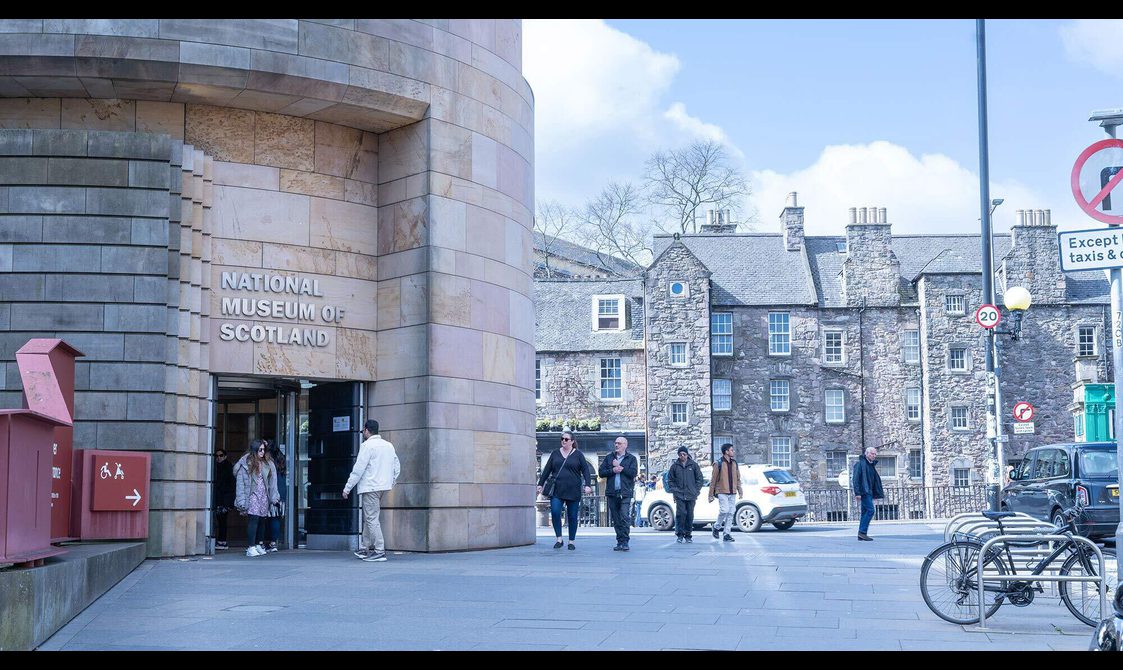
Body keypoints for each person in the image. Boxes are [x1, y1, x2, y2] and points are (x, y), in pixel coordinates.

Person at [343, 419, 400, 562]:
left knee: (371, 518)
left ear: (367, 430)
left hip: (370, 487)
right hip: (383, 487)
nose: (363, 432)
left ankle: (380, 550)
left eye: (364, 430)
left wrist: (347, 488)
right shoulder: (388, 446)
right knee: (371, 516)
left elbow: (358, 469)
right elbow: (396, 466)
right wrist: (391, 481)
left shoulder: (367, 446)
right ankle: (364, 547)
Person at [536, 431, 593, 551]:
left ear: (572, 441)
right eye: (562, 439)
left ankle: (571, 541)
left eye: (566, 439)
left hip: (573, 490)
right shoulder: (555, 454)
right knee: (556, 512)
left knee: (572, 516)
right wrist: (540, 484)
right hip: (557, 489)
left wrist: (588, 485)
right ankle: (559, 539)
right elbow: (547, 470)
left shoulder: (578, 455)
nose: (563, 441)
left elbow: (586, 471)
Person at [234, 439, 280, 557]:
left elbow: (272, 482)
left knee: (262, 520)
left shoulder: (267, 463)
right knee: (253, 519)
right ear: (254, 450)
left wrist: (274, 497)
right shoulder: (245, 463)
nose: (262, 452)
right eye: (260, 450)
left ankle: (258, 544)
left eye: (264, 450)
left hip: (263, 495)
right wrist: (241, 501)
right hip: (252, 494)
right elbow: (240, 484)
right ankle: (251, 546)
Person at [599, 436, 639, 551]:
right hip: (612, 492)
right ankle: (619, 541)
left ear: (625, 445)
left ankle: (625, 541)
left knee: (624, 516)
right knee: (616, 518)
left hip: (625, 492)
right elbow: (601, 472)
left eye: (619, 443)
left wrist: (620, 467)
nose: (617, 445)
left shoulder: (631, 458)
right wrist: (612, 470)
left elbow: (633, 473)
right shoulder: (609, 458)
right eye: (616, 443)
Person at [667, 446, 704, 543]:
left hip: (691, 495)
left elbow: (699, 479)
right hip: (679, 495)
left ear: (687, 455)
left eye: (684, 454)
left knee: (690, 515)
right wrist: (675, 490)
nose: (682, 456)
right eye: (680, 454)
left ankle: (688, 534)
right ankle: (679, 534)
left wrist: (696, 490)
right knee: (681, 514)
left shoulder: (694, 465)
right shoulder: (674, 466)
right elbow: (670, 480)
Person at [708, 443, 743, 542]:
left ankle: (727, 534)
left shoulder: (734, 463)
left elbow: (738, 478)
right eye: (732, 450)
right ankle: (716, 526)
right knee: (724, 510)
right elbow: (713, 480)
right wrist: (710, 495)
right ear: (726, 452)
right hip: (722, 491)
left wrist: (740, 490)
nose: (733, 451)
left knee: (731, 512)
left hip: (733, 492)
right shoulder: (718, 463)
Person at [851, 446, 884, 541]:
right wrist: (857, 493)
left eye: (875, 454)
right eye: (873, 454)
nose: (874, 456)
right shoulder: (860, 464)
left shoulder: (871, 465)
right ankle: (862, 532)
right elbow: (856, 479)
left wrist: (875, 494)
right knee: (871, 511)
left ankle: (861, 534)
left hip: (869, 492)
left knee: (865, 512)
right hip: (864, 492)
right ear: (867, 454)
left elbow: (873, 481)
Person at [263, 440, 287, 552]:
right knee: (276, 518)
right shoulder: (281, 458)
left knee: (269, 518)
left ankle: (267, 542)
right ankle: (273, 542)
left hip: (272, 491)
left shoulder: (268, 461)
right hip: (282, 491)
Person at [213, 448, 235, 550]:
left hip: (224, 498)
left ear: (225, 456)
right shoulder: (214, 467)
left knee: (222, 520)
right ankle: (219, 540)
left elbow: (230, 485)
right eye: (216, 456)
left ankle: (222, 541)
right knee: (218, 520)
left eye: (221, 455)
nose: (218, 458)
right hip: (217, 498)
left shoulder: (228, 467)